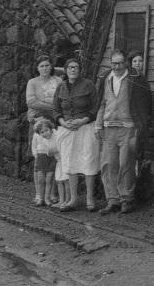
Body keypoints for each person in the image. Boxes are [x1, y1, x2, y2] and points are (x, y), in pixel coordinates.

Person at [95, 50, 153, 215]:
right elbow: (102, 103)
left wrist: (141, 127)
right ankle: (112, 200)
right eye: (114, 63)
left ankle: (126, 199)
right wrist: (98, 125)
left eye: (120, 63)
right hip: (108, 128)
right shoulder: (106, 78)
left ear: (126, 63)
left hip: (128, 128)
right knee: (108, 164)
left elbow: (145, 104)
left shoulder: (135, 79)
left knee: (126, 164)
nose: (117, 66)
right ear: (110, 63)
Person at [53, 58, 99, 212]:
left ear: (80, 70)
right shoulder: (60, 87)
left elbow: (95, 107)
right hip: (67, 129)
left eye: (76, 67)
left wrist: (83, 120)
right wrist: (62, 122)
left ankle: (89, 198)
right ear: (66, 70)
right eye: (70, 67)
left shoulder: (88, 85)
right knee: (70, 161)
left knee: (88, 161)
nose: (73, 70)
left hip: (85, 128)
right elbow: (56, 110)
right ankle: (73, 199)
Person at [25, 54, 62, 204]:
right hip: (38, 122)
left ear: (51, 66)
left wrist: (50, 106)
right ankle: (39, 194)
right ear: (37, 68)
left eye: (47, 65)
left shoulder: (58, 81)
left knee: (53, 156)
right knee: (39, 158)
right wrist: (52, 106)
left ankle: (51, 193)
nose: (45, 68)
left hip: (54, 123)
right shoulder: (32, 82)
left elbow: (61, 99)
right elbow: (31, 101)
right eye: (42, 66)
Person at [30, 118, 58, 206]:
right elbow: (33, 146)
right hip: (40, 158)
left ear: (50, 129)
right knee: (41, 179)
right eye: (42, 132)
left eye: (46, 130)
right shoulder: (36, 135)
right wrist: (36, 155)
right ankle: (40, 198)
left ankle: (47, 198)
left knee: (49, 179)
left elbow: (58, 145)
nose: (44, 133)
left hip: (51, 158)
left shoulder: (55, 134)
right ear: (39, 133)